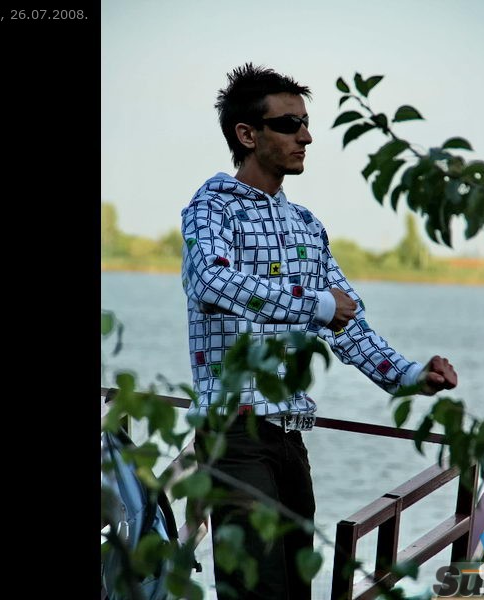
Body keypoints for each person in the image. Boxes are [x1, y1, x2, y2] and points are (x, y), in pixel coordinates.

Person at [180, 63, 458, 600]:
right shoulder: (210, 209)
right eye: (289, 124)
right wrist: (317, 305)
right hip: (234, 435)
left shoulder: (307, 225)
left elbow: (346, 321)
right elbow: (211, 281)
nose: (306, 136)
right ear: (247, 134)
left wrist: (409, 376)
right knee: (258, 591)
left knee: (296, 589)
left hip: (291, 436)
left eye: (306, 123)